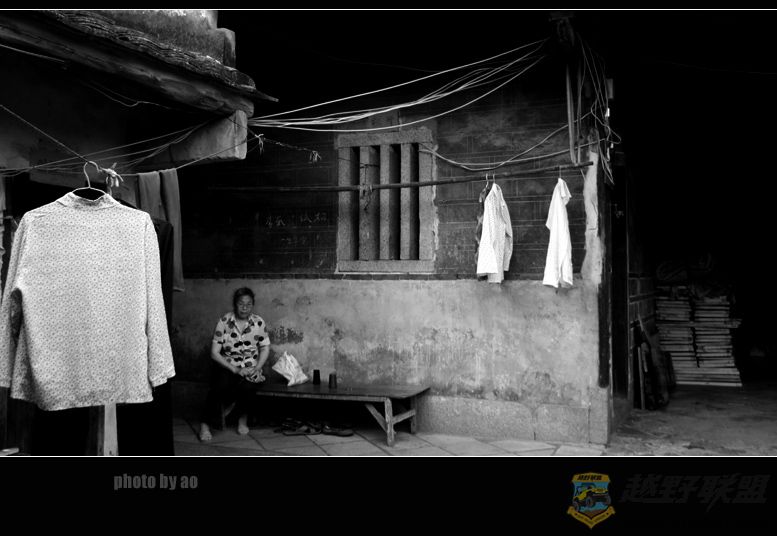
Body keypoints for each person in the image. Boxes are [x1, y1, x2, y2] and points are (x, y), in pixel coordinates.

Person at [199, 287, 271, 441]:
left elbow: (265, 347)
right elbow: (214, 353)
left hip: (251, 367)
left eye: (248, 304)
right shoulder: (224, 321)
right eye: (241, 304)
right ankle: (205, 424)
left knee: (249, 387)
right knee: (218, 386)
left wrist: (257, 368)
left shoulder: (258, 322)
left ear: (252, 305)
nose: (245, 308)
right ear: (234, 304)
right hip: (229, 366)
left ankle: (242, 419)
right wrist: (235, 369)